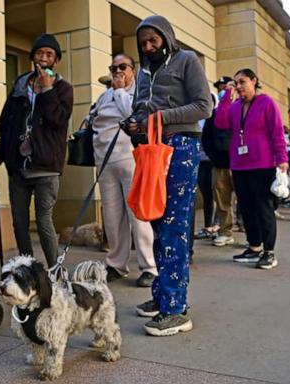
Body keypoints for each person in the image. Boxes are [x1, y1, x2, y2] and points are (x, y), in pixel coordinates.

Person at [125, 15, 212, 336]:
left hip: (181, 147)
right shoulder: (144, 71)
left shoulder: (187, 60)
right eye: (144, 42)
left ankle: (176, 309)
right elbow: (140, 108)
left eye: (154, 40)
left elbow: (204, 106)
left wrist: (160, 117)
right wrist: (134, 122)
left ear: (167, 37)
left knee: (175, 225)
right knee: (156, 221)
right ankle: (163, 294)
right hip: (152, 147)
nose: (149, 46)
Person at [0, 34, 73, 267]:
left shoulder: (63, 89)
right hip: (18, 166)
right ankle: (28, 270)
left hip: (46, 167)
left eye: (49, 54)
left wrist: (47, 91)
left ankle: (55, 271)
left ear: (56, 61)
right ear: (33, 57)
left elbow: (59, 121)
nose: (44, 58)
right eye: (40, 53)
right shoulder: (20, 85)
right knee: (19, 221)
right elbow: (7, 123)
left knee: (44, 220)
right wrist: (1, 150)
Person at [91, 53, 157, 287]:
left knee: (137, 214)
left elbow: (133, 114)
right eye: (113, 67)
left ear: (132, 70)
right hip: (105, 160)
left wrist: (119, 91)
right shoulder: (103, 96)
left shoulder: (138, 94)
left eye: (122, 67)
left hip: (130, 159)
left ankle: (149, 266)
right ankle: (116, 264)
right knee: (112, 216)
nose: (117, 71)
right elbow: (94, 120)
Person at [215, 68, 288, 270]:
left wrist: (282, 158)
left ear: (254, 81)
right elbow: (221, 123)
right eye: (236, 83)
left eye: (242, 82)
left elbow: (277, 132)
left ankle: (269, 252)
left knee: (263, 208)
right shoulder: (235, 106)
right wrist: (226, 98)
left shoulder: (267, 103)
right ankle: (254, 247)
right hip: (239, 165)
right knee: (246, 208)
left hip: (263, 164)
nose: (238, 86)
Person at [202, 88, 235, 247]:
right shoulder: (212, 117)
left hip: (240, 165)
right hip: (219, 165)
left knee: (249, 201)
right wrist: (214, 157)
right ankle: (224, 231)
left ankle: (254, 235)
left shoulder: (241, 112)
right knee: (222, 202)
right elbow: (206, 139)